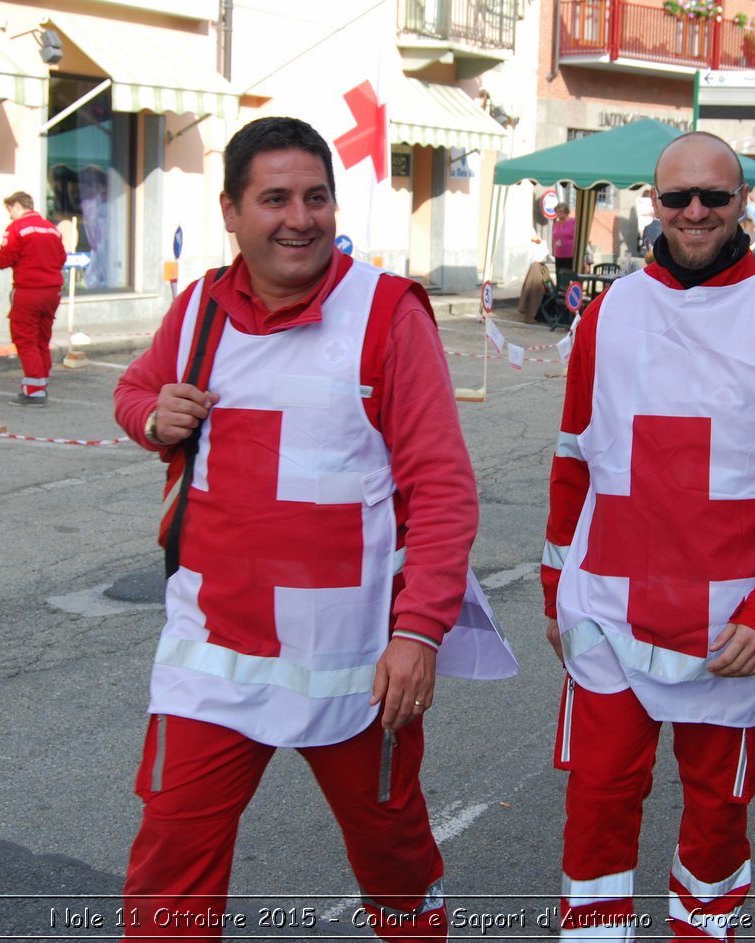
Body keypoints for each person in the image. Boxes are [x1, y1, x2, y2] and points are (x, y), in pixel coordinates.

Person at [112, 117, 482, 940]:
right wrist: (151, 413)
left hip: (353, 661)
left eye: (316, 197)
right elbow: (136, 393)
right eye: (274, 198)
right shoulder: (200, 307)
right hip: (211, 654)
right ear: (232, 212)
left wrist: (419, 632)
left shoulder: (388, 312)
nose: (299, 218)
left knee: (394, 856)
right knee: (169, 865)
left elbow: (443, 489)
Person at [541, 131, 755, 938]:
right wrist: (554, 591)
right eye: (677, 196)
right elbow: (576, 459)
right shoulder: (608, 313)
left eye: (713, 196)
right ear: (653, 201)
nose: (694, 211)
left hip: (732, 623)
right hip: (608, 608)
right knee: (598, 801)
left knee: (717, 816)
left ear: (743, 200)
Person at [0, 193, 65, 406]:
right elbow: (61, 258)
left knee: (25, 338)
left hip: (29, 289)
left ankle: (33, 390)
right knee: (42, 338)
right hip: (52, 291)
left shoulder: (17, 229)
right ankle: (40, 383)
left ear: (16, 206)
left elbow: (4, 260)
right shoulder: (51, 228)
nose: (10, 216)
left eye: (10, 210)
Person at [552, 202, 577, 273]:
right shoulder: (556, 224)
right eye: (557, 211)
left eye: (561, 211)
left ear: (566, 212)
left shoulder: (573, 222)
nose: (559, 213)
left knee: (568, 276)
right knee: (559, 276)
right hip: (558, 255)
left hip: (570, 255)